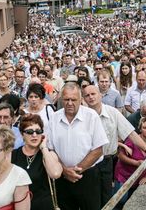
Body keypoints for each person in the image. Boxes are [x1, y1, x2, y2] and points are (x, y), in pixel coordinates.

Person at [82, 85, 146, 207]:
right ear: (84, 98)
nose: (91, 97)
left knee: (106, 197)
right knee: (90, 198)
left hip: (106, 161)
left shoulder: (113, 113)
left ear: (100, 95)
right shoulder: (82, 115)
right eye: (87, 95)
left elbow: (130, 133)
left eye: (93, 94)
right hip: (88, 163)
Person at [46, 82, 108, 210]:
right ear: (61, 99)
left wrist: (76, 171)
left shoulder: (91, 117)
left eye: (73, 99)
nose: (69, 103)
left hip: (87, 176)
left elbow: (98, 149)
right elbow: (50, 149)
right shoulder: (54, 118)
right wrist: (64, 171)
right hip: (62, 177)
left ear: (80, 99)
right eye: (66, 99)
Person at [11, 114, 62, 210]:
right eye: (30, 132)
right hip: (20, 206)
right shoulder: (13, 155)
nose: (34, 135)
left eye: (38, 131)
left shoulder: (48, 154)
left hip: (43, 206)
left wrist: (44, 148)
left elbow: (55, 174)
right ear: (22, 134)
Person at [113, 116, 146, 210]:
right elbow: (121, 156)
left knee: (130, 199)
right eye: (144, 128)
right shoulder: (132, 140)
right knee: (121, 200)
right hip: (123, 175)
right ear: (140, 129)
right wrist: (136, 163)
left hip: (138, 177)